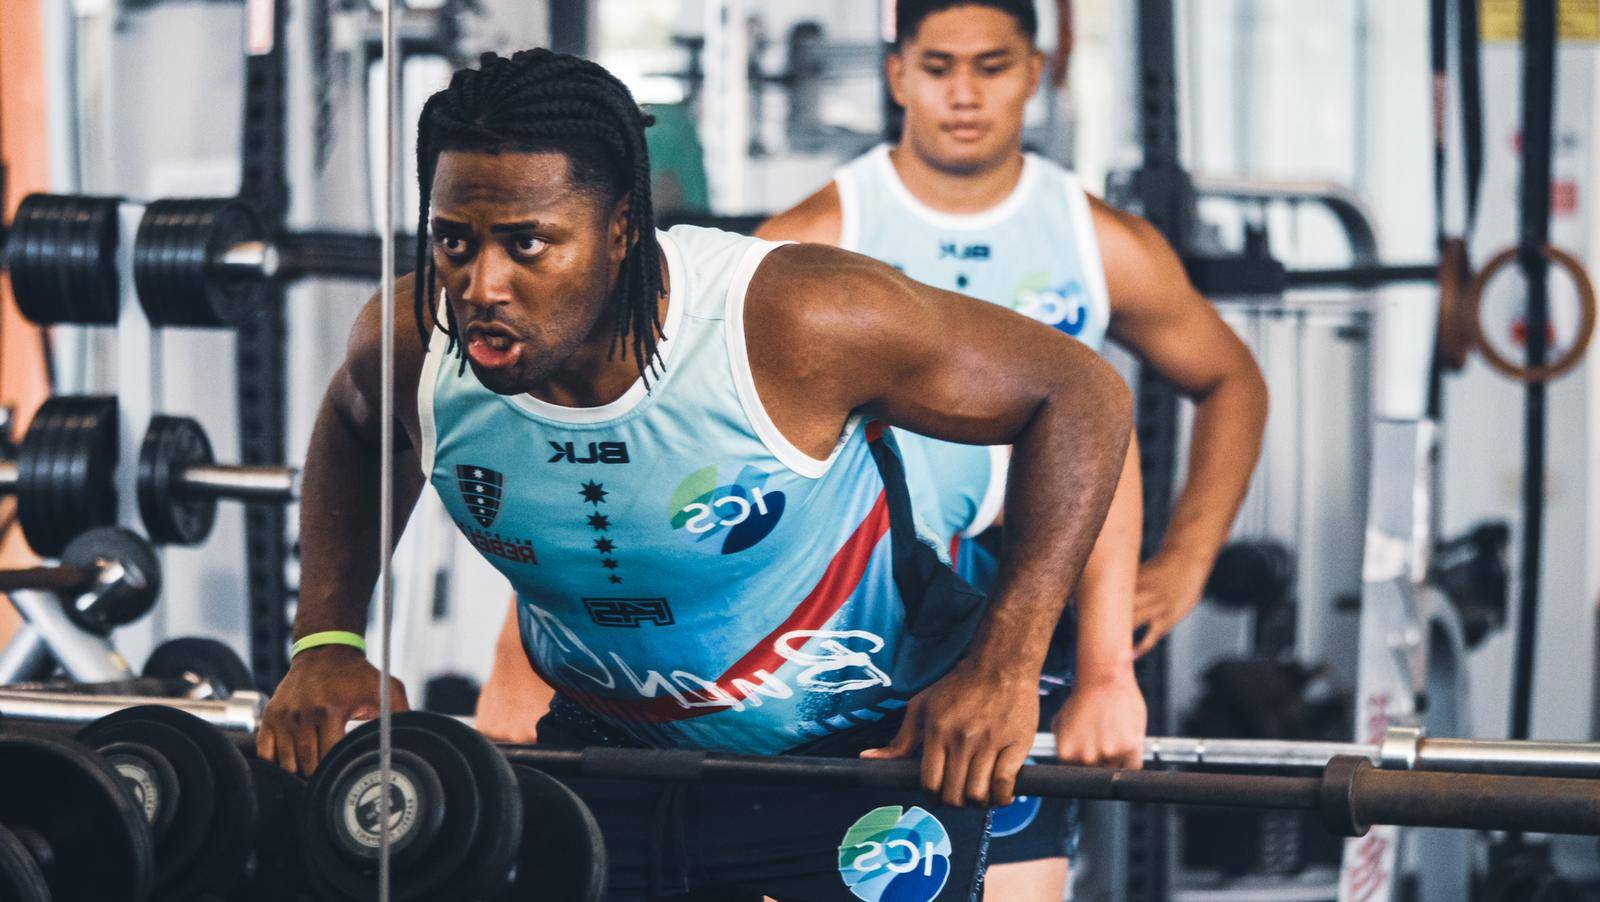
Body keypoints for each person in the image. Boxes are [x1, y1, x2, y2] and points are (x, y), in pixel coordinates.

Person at [258, 48, 1132, 900]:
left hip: (861, 754)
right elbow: (353, 422)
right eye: (455, 240)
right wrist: (328, 640)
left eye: (528, 245)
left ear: (620, 234)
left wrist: (1008, 666)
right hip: (605, 751)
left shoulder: (791, 323)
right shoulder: (412, 344)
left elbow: (1079, 393)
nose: (481, 284)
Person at [756, 2, 1268, 898]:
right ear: (897, 75)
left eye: (991, 67)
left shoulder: (1095, 237)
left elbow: (1232, 381)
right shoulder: (819, 235)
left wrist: (1186, 563)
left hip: (1027, 604)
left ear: (1034, 72)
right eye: (940, 66)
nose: (964, 93)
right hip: (863, 613)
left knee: (1016, 880)